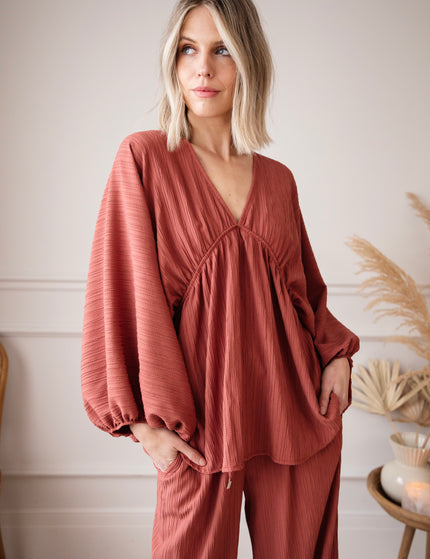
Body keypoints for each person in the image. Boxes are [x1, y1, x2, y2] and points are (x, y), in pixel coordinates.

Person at [81, 0, 360, 557]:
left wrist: (337, 357)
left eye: (222, 50)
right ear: (173, 61)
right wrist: (142, 425)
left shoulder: (278, 181)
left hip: (293, 415)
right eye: (188, 49)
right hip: (199, 428)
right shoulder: (144, 158)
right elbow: (119, 292)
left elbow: (305, 293)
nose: (202, 68)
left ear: (248, 62)